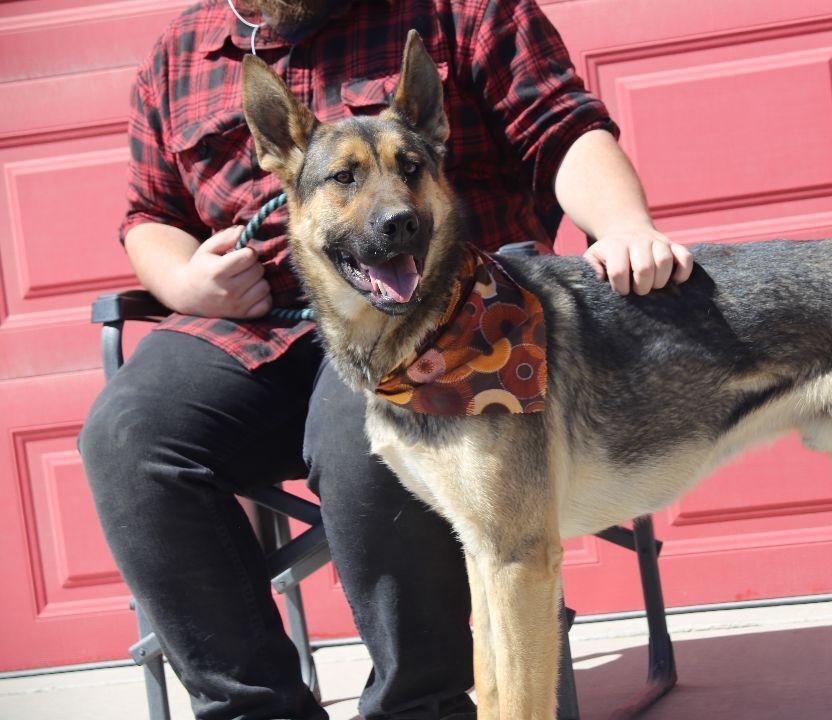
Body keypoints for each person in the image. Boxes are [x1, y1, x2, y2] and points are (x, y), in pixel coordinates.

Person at [78, 1, 693, 719]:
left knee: (365, 433)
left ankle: (424, 706)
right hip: (259, 325)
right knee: (127, 436)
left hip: (448, 316)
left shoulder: (458, 10)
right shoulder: (180, 54)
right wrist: (184, 281)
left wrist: (623, 227)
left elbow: (561, 129)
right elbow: (149, 213)